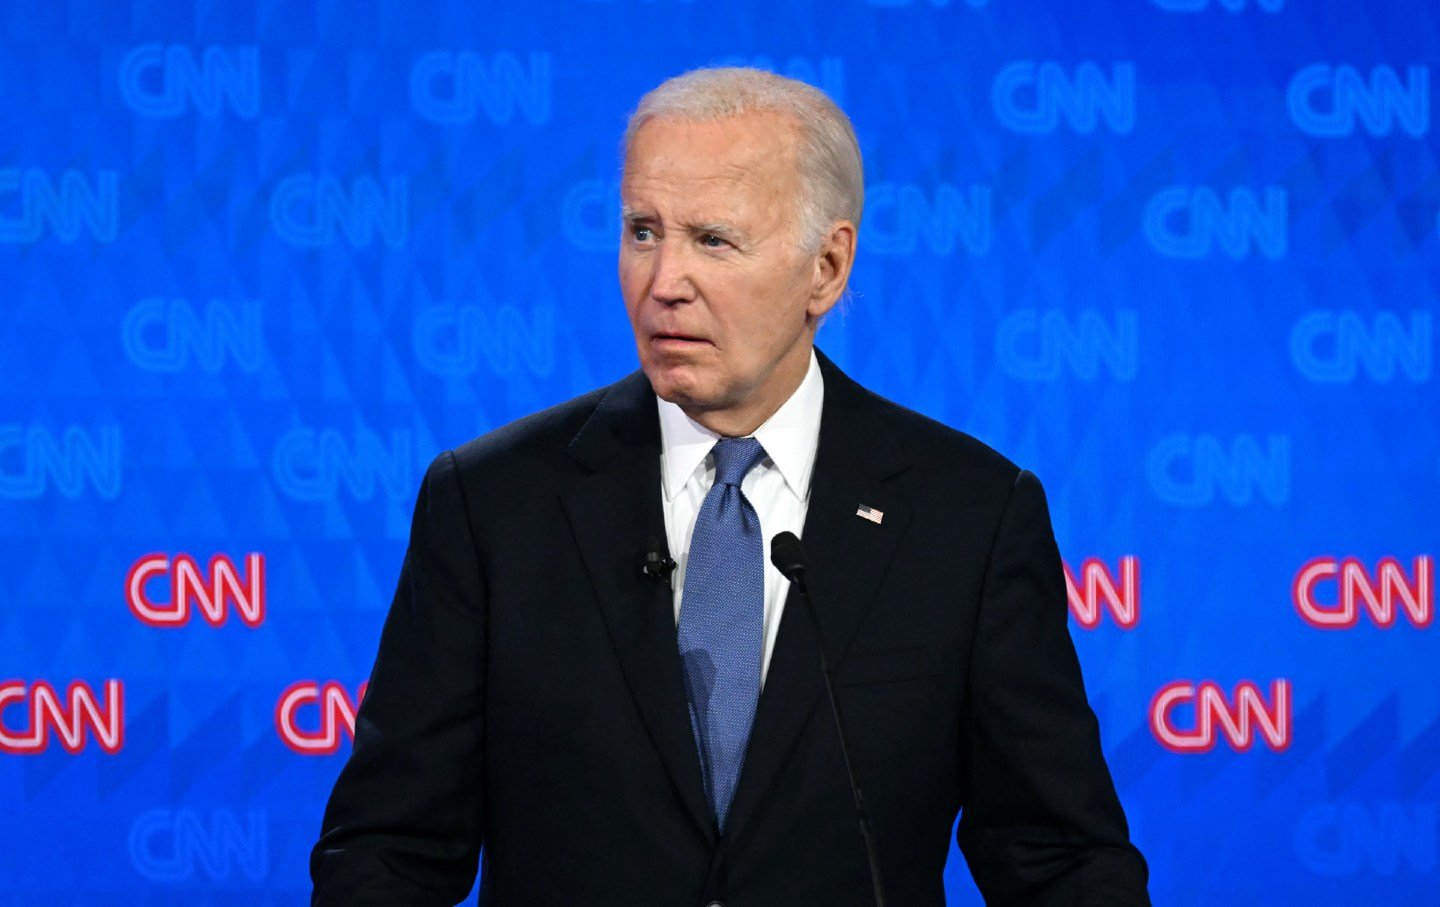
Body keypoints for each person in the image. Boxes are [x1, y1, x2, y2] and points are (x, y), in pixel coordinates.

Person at [311, 67, 1149, 906]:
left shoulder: (967, 517)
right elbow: (387, 852)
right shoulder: (493, 505)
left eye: (713, 240)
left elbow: (1062, 863)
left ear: (826, 266)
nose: (664, 279)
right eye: (643, 231)